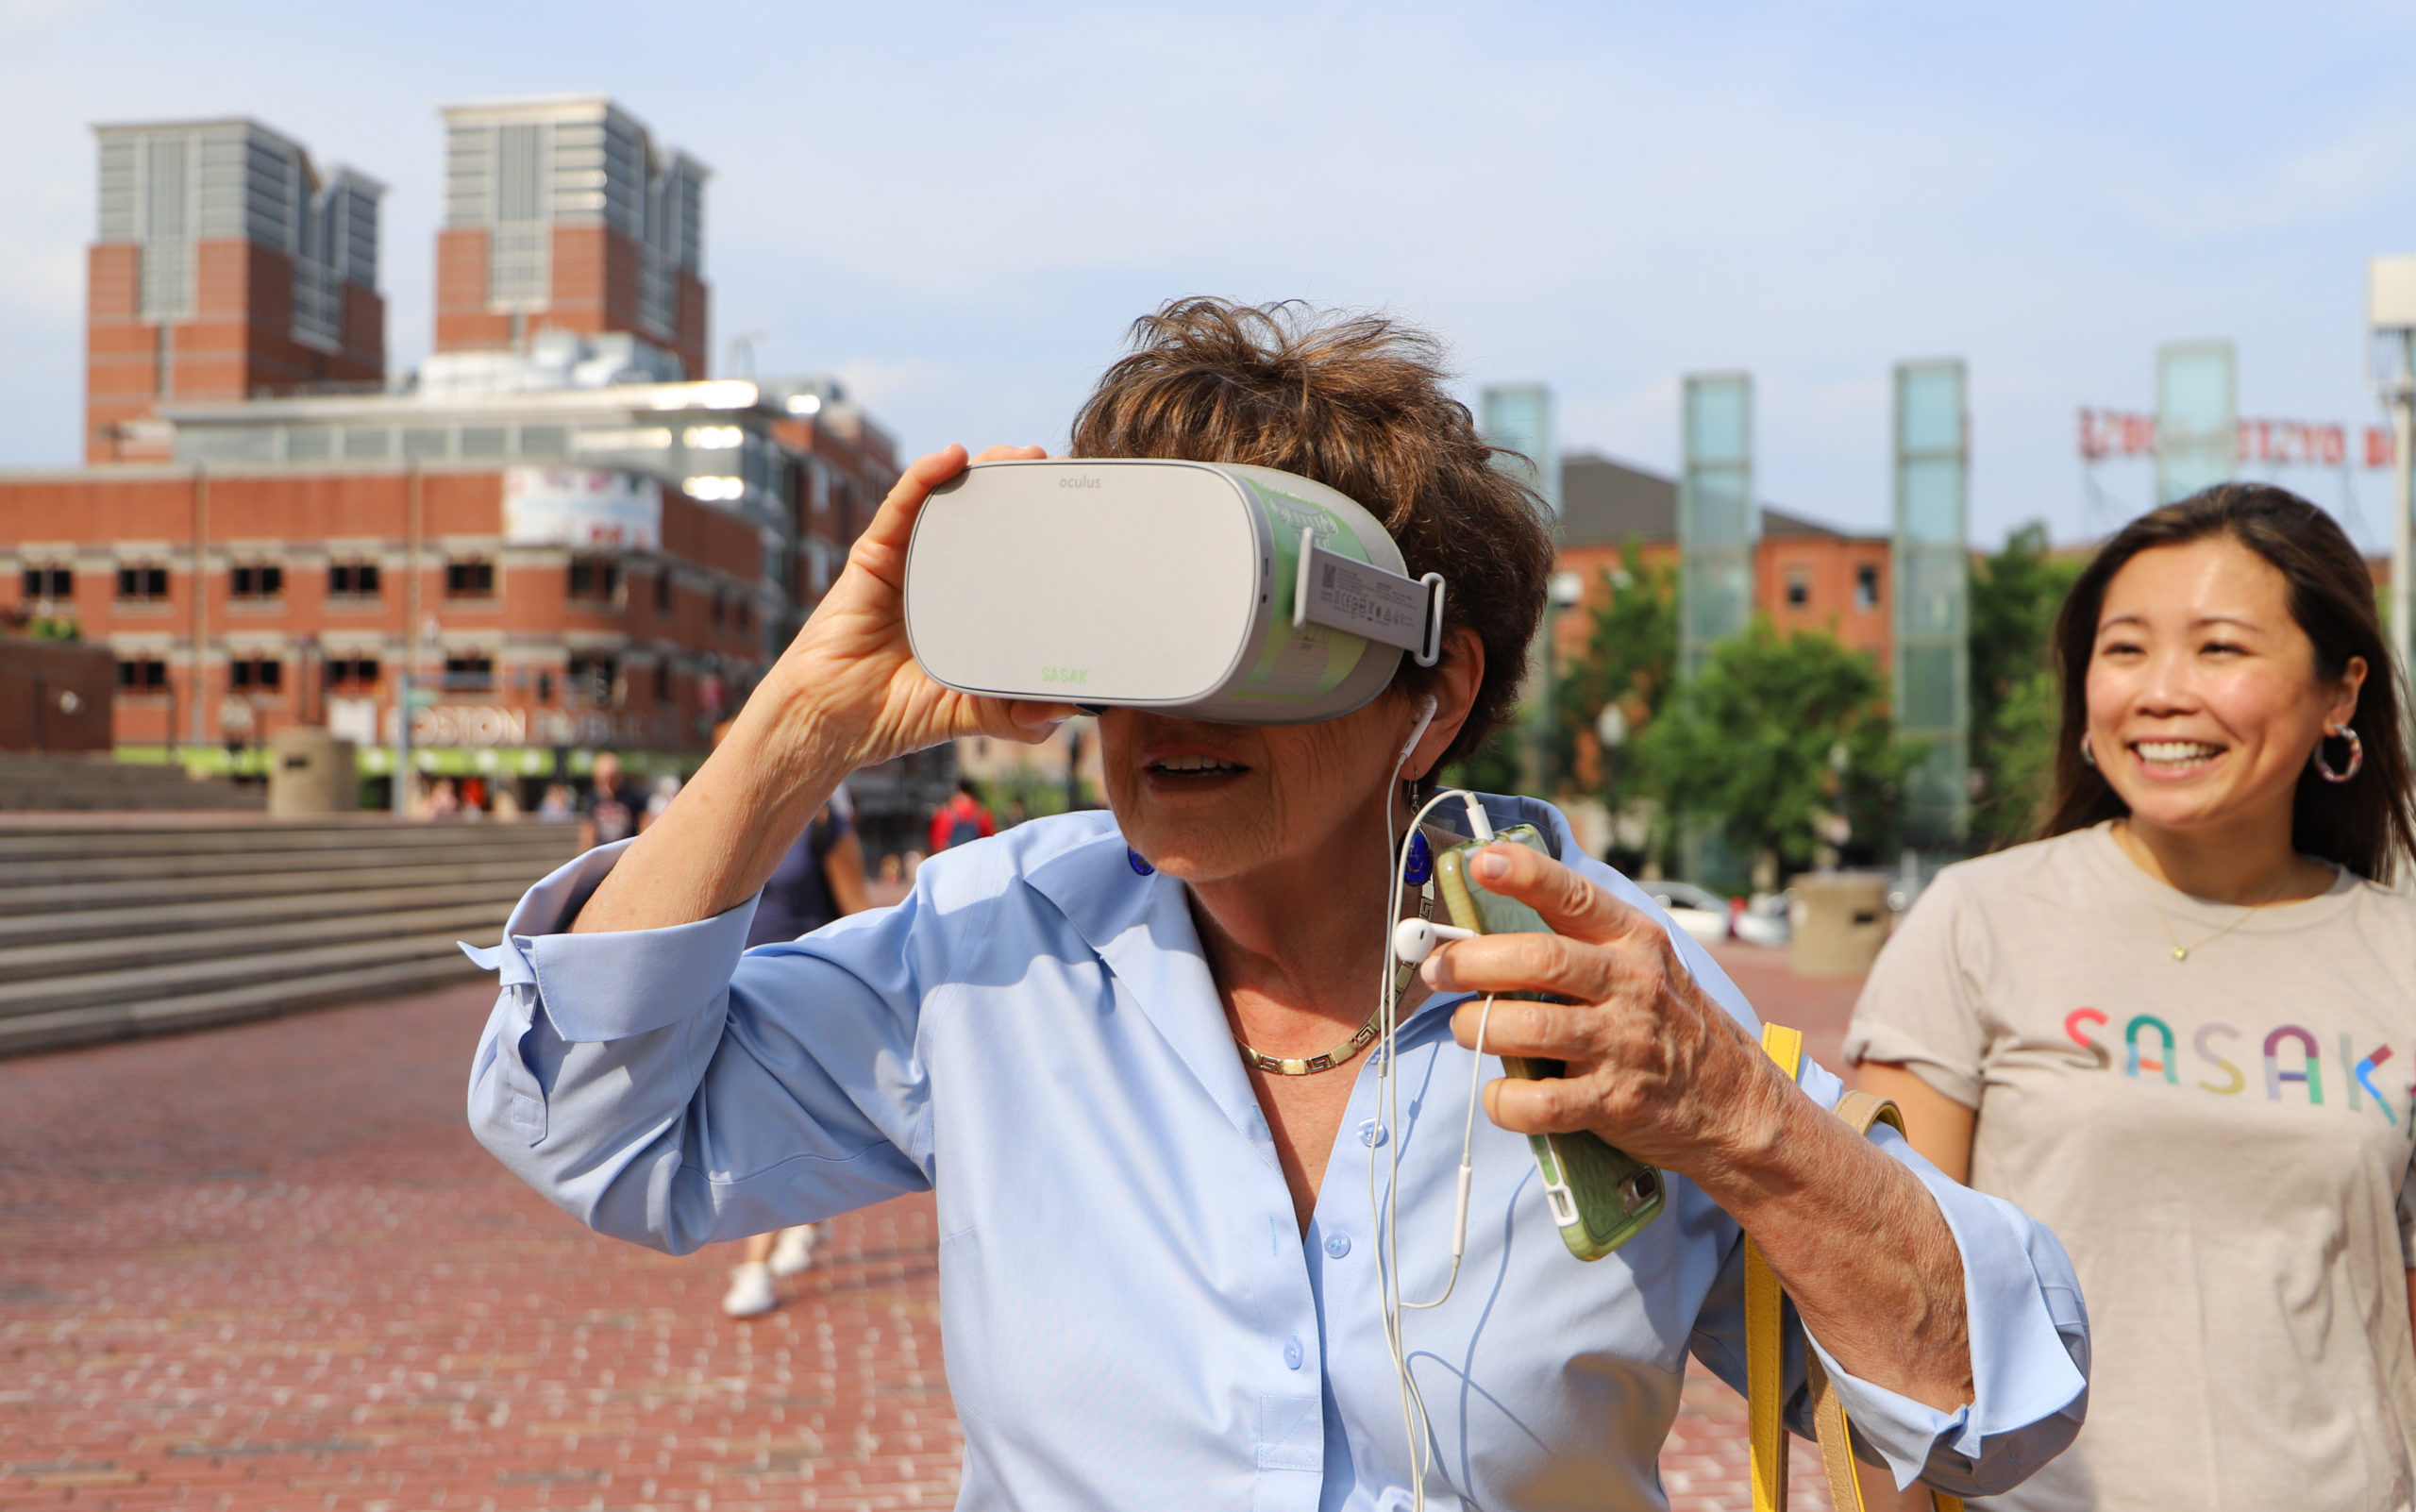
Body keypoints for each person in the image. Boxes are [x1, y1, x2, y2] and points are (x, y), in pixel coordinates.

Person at [468, 298, 2086, 1508]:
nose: (1170, 711)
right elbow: (595, 1128)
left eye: (1238, 629)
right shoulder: (996, 945)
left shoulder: (1608, 991)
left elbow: (1981, 1407)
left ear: (1430, 694)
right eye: (1131, 630)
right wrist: (800, 724)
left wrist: (1744, 1121)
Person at [1848, 483, 2416, 1511]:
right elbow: (1890, 1295)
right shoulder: (1979, 920)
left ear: (2339, 694)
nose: (2161, 691)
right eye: (2125, 649)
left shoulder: (2399, 956)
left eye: (2219, 648)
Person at [714, 727, 873, 1318]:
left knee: (771, 1129)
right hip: (732, 992)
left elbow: (857, 909)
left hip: (805, 997)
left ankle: (755, 1265)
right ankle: (804, 1212)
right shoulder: (719, 819)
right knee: (769, 1127)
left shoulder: (825, 820)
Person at [579, 751, 636, 848]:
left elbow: (644, 823)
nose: (608, 786)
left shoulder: (632, 795)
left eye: (612, 780)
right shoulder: (593, 797)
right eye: (602, 781)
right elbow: (589, 829)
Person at [927, 778, 994, 853]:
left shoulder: (946, 813)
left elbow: (937, 844)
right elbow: (989, 843)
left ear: (958, 791)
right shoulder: (982, 814)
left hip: (951, 859)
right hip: (975, 859)